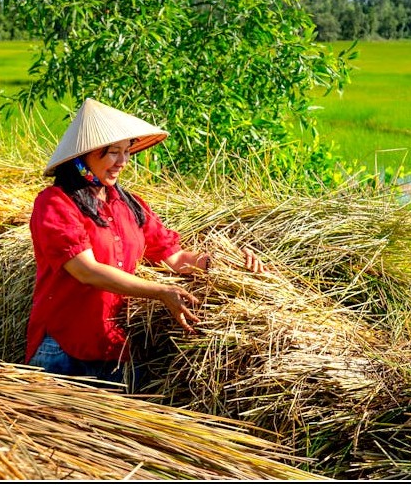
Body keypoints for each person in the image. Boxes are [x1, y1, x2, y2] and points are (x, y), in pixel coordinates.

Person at [25, 97, 261, 390]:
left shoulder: (129, 205)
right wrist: (160, 292)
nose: (123, 162)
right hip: (63, 349)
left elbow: (173, 257)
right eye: (113, 153)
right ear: (83, 155)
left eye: (126, 152)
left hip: (115, 349)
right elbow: (85, 270)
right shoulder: (56, 203)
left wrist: (227, 261)